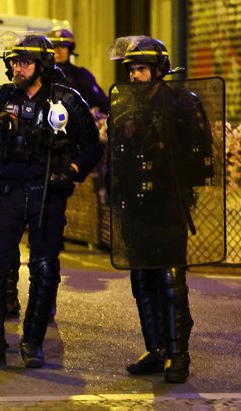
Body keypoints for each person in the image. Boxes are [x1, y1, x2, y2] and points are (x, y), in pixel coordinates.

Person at [0, 32, 102, 370]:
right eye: (13, 61)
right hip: (6, 194)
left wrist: (70, 171)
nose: (16, 68)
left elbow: (93, 146)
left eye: (24, 62)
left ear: (42, 65)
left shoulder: (66, 100)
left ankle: (32, 343)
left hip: (46, 196)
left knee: (43, 268)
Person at [107, 35, 216, 384]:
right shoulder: (124, 104)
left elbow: (202, 154)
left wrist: (168, 151)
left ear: (158, 70)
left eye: (141, 69)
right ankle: (155, 350)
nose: (136, 75)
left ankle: (177, 355)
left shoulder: (182, 102)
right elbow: (119, 157)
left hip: (168, 203)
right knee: (142, 277)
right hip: (135, 202)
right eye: (132, 69)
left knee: (170, 278)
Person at [49, 28, 109, 117]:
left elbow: (103, 103)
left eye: (63, 46)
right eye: (55, 47)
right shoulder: (43, 75)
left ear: (70, 49)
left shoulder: (81, 75)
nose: (58, 51)